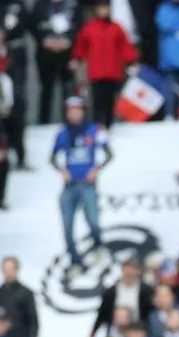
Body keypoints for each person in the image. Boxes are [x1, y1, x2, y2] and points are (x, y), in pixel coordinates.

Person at [51, 96, 110, 271]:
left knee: (93, 220)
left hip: (87, 184)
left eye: (78, 111)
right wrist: (62, 170)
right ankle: (74, 259)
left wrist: (96, 169)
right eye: (71, 111)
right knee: (67, 225)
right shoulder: (63, 134)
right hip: (70, 186)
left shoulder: (95, 130)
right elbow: (52, 157)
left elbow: (109, 153)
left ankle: (98, 246)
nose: (74, 114)